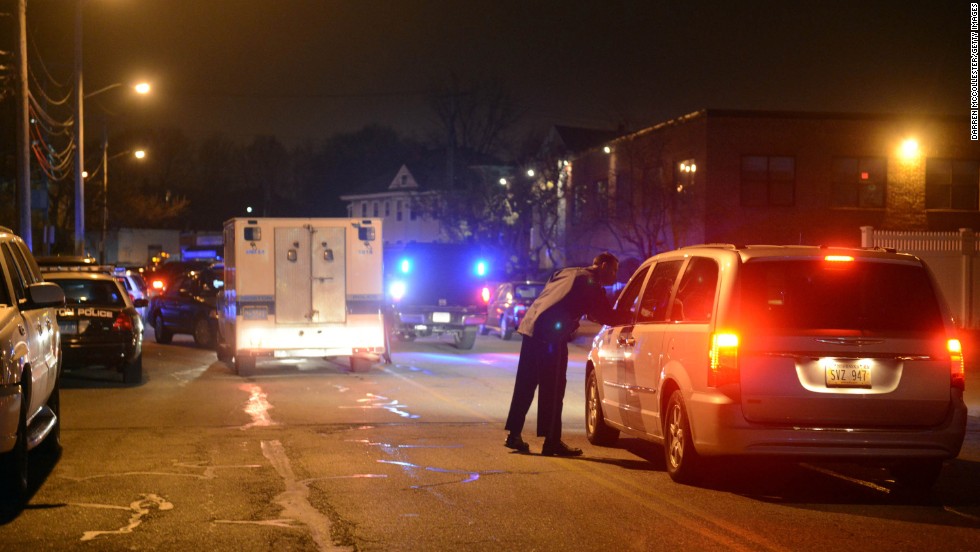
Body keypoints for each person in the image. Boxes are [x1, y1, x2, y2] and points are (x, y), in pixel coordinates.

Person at [504, 252, 623, 456]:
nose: (615, 276)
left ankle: (514, 435)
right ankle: (551, 442)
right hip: (550, 336)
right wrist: (635, 316)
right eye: (613, 271)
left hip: (531, 329)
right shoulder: (591, 283)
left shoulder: (566, 273)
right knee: (554, 387)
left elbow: (560, 300)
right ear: (603, 266)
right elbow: (606, 316)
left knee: (525, 383)